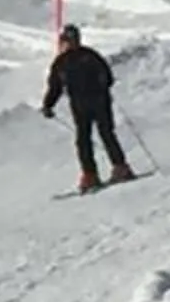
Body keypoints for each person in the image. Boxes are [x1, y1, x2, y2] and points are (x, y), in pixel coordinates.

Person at [41, 23, 133, 193]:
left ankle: (96, 174)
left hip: (86, 103)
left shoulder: (63, 62)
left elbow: (56, 86)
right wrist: (48, 104)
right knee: (97, 136)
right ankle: (113, 169)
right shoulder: (89, 55)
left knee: (91, 138)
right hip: (95, 102)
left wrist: (48, 105)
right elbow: (107, 77)